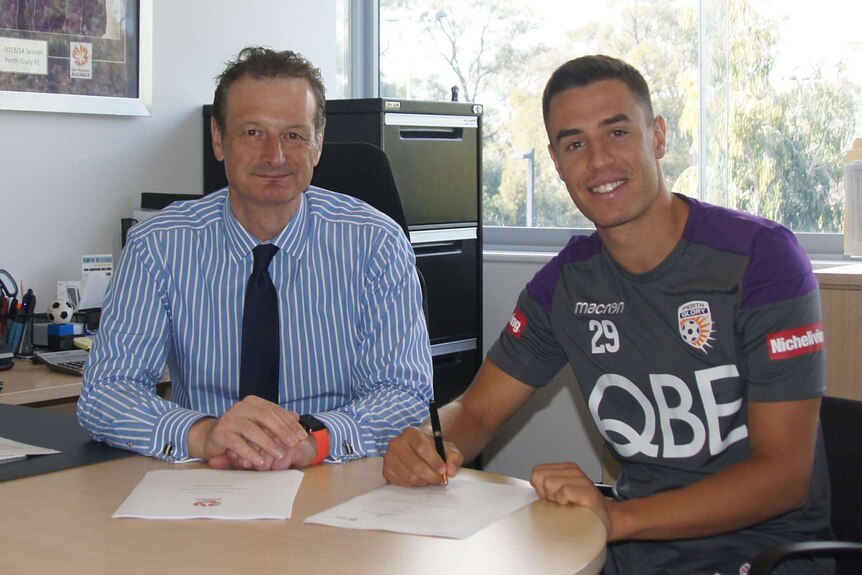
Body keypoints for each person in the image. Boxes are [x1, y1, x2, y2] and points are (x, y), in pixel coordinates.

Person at [382, 54, 832, 574]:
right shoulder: (564, 285)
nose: (598, 162)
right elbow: (479, 412)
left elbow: (784, 476)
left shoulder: (762, 258)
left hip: (761, 553)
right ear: (556, 162)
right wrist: (428, 440)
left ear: (657, 137)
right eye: (575, 143)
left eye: (617, 133)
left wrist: (618, 520)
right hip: (626, 550)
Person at [78, 46, 433, 471]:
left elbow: (405, 396)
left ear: (318, 145)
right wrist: (203, 434)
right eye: (252, 133)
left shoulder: (376, 243)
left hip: (334, 476)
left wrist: (313, 442)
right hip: (204, 481)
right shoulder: (158, 245)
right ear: (218, 138)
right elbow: (107, 391)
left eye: (294, 135)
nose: (275, 156)